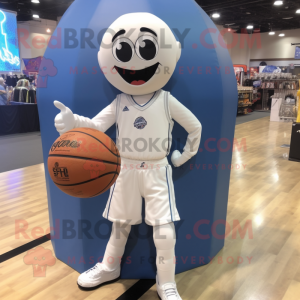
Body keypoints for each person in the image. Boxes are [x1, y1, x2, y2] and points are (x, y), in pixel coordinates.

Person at [53, 13, 202, 300]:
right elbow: (96, 125)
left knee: (165, 231)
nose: (135, 62)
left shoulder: (166, 99)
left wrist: (184, 156)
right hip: (125, 168)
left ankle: (166, 281)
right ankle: (110, 267)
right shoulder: (120, 100)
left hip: (158, 168)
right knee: (120, 226)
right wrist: (72, 123)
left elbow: (195, 125)